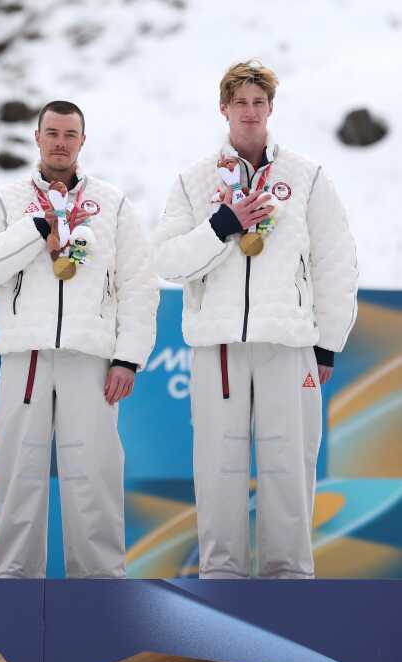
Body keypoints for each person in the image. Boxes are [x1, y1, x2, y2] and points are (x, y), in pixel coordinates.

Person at [153, 61, 358, 579]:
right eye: (239, 102)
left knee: (288, 469)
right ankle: (221, 578)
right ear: (224, 108)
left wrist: (327, 342)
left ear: (270, 109)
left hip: (287, 346)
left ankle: (288, 580)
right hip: (218, 345)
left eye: (258, 103)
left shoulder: (305, 176)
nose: (249, 112)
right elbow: (168, 260)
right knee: (218, 470)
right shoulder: (194, 180)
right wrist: (223, 225)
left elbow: (336, 259)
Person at [0, 101, 158, 579]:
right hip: (25, 356)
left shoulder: (112, 204)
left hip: (91, 359)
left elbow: (138, 284)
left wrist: (127, 357)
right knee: (17, 478)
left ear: (82, 141)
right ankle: (10, 585)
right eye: (52, 133)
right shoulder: (8, 201)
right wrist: (34, 230)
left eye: (70, 134)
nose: (60, 142)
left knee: (94, 479)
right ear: (37, 138)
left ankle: (99, 589)